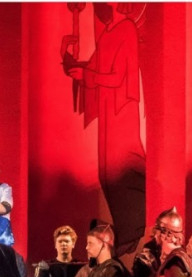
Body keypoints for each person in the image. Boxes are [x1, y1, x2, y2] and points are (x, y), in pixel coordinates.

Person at [67, 3, 146, 256]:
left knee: (120, 171)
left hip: (121, 110)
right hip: (108, 113)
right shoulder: (107, 34)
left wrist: (87, 76)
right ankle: (124, 231)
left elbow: (119, 76)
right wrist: (73, 64)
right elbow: (94, 69)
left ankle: (132, 231)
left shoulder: (126, 29)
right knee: (105, 173)